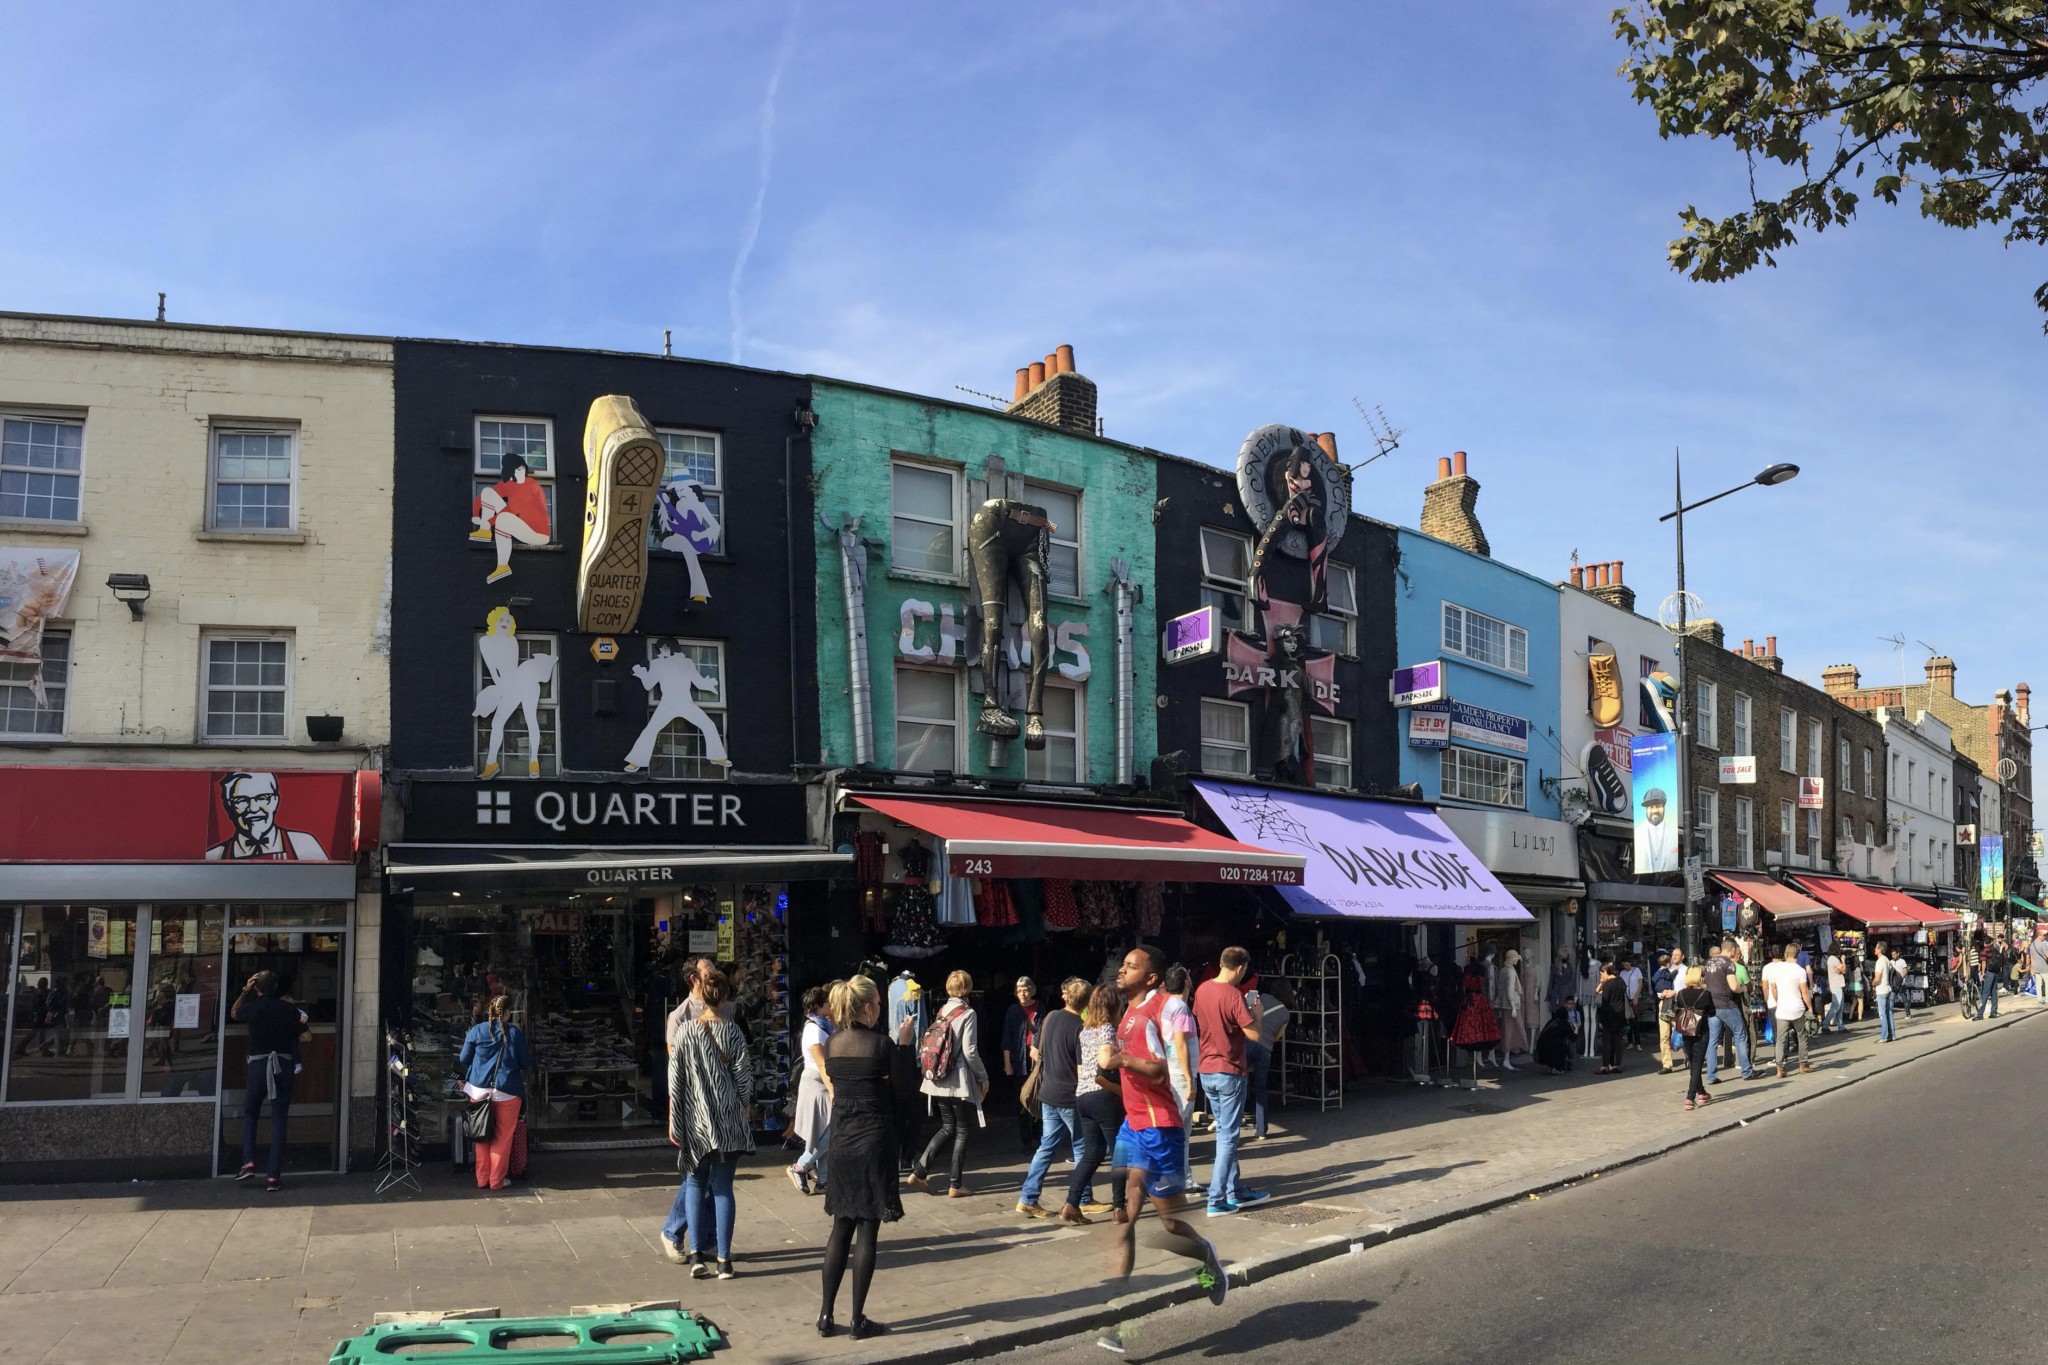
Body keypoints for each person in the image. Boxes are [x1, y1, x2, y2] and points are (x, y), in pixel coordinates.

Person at [1096, 946, 1229, 1353]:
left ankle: (1208, 1260)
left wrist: (1121, 1060)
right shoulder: (1128, 1014)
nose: (1123, 968)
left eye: (1132, 966)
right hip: (1133, 1129)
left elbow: (1157, 1070)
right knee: (1125, 1221)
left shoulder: (1158, 1011)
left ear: (1151, 978)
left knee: (1169, 1227)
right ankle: (1116, 1323)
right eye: (1124, 964)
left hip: (1161, 1129)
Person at [816, 975, 915, 1340]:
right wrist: (904, 1047)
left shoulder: (833, 1044)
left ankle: (826, 1315)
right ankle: (857, 1319)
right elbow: (903, 1091)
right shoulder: (882, 1045)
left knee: (841, 1227)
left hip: (842, 1142)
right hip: (874, 1141)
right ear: (870, 1006)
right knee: (868, 1228)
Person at [663, 966, 752, 1280]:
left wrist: (675, 1118)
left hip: (695, 1120)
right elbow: (743, 1080)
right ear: (725, 996)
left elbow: (676, 1080)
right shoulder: (734, 1032)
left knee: (696, 1183)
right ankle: (724, 1260)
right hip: (727, 1121)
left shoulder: (686, 1031)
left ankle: (697, 1254)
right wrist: (746, 1107)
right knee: (723, 1188)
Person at [1193, 947, 1268, 1217]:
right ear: (1239, 967)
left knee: (1225, 1133)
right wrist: (1256, 1014)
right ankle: (1216, 1199)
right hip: (1230, 1069)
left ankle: (1234, 1190)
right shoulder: (1234, 996)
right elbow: (1254, 1035)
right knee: (1228, 1137)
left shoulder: (1202, 990)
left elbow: (1207, 1021)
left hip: (1207, 1069)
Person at [1019, 977, 1092, 1221]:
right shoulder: (1081, 1027)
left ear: (1065, 997)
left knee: (1046, 1146)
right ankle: (1084, 1199)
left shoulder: (1050, 1018)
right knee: (1082, 1147)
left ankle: (1028, 1198)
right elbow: (1082, 1070)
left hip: (1048, 1092)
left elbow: (1034, 1051)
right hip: (1070, 1096)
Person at [909, 970, 987, 1197]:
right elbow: (970, 1051)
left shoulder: (943, 1010)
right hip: (958, 1079)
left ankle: (920, 1171)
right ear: (968, 987)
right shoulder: (968, 1013)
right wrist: (983, 1077)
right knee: (962, 1129)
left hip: (937, 1078)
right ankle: (955, 1184)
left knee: (947, 1127)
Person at [232, 970, 305, 1193]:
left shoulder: (253, 1008)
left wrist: (245, 991)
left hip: (258, 1066)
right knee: (279, 1119)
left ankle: (249, 1162)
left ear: (257, 987)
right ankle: (273, 1176)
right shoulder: (288, 1009)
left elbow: (234, 1013)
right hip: (282, 1066)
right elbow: (303, 1030)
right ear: (276, 987)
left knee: (251, 1112)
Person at [1066, 984, 1126, 1224]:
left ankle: (1071, 1203)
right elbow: (1106, 1060)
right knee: (1120, 1152)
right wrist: (1125, 1059)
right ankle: (1120, 1207)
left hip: (1083, 1096)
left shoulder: (1085, 1029)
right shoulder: (1107, 1029)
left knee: (1093, 1152)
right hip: (1105, 1096)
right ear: (1113, 1005)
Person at [470, 452, 551, 584]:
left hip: (538, 533)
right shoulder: (509, 485)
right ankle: (484, 532)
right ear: (510, 471)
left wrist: (488, 522)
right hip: (519, 526)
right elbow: (481, 498)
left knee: (503, 519)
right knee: (487, 492)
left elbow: (515, 514)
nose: (521, 472)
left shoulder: (532, 486)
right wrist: (475, 515)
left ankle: (502, 566)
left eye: (522, 468)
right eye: (517, 469)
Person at [788, 984, 835, 1196]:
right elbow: (822, 1063)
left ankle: (824, 1179)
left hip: (822, 1084)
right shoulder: (814, 1028)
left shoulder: (824, 1025)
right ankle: (800, 1166)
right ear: (818, 1006)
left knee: (825, 1130)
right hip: (818, 1084)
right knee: (829, 1130)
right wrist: (833, 1089)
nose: (832, 1005)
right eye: (828, 1002)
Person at [1702, 940, 1753, 1084]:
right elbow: (1734, 986)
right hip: (1727, 1004)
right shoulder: (1728, 964)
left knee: (1712, 1041)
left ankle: (1711, 1076)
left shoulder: (1709, 962)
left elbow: (1705, 983)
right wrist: (1743, 988)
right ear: (1731, 951)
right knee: (1740, 1036)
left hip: (1712, 1005)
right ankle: (1747, 1071)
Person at [1244, 983, 1288, 1142]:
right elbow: (1278, 1036)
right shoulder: (1285, 1013)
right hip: (1265, 1049)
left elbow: (1246, 1011)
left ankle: (1234, 1121)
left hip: (1249, 1042)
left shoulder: (1264, 997)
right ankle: (1261, 1130)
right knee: (1260, 1089)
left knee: (1239, 1082)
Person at [1001, 977, 1041, 1150]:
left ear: (1031, 990)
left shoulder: (1041, 1007)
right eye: (1019, 991)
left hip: (1037, 1058)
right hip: (1019, 1059)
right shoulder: (1013, 1010)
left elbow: (1044, 1031)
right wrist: (1007, 1062)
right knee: (1022, 1100)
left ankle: (1038, 1136)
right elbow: (1007, 1037)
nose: (1022, 994)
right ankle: (1027, 1141)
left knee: (1038, 1098)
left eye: (1025, 990)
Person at [1762, 943, 1813, 1078]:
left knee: (1780, 1038)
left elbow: (1773, 988)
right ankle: (1802, 1064)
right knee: (1802, 1036)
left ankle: (1780, 1068)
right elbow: (1804, 992)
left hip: (1782, 1009)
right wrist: (1810, 1007)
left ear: (1785, 954)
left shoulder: (1778, 970)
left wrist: (1778, 999)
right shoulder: (1800, 971)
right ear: (1797, 955)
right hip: (1797, 1008)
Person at [1672, 966, 1714, 1110]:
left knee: (1692, 1062)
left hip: (1685, 1031)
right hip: (1701, 1031)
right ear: (1700, 977)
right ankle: (1690, 1097)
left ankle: (1701, 1092)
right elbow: (1712, 1012)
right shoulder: (1705, 994)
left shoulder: (1681, 993)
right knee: (1697, 1064)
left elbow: (1677, 1007)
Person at [1651, 950, 1678, 1074]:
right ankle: (1667, 1064)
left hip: (1673, 1002)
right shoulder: (1668, 972)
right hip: (1668, 1001)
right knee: (1664, 1035)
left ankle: (1689, 1058)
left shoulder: (1657, 973)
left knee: (1681, 1031)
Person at [1872, 940, 1904, 1041]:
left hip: (1881, 990)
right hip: (1888, 988)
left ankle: (1884, 1036)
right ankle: (1892, 1035)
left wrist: (1872, 984)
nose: (1875, 949)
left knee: (1883, 1014)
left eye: (1876, 947)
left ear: (1880, 949)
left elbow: (1877, 978)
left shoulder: (1879, 961)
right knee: (1889, 1012)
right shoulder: (1886, 960)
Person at [1533, 1005, 1574, 1074]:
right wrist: (1576, 1030)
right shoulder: (1564, 1023)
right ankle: (1558, 1068)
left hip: (1541, 1049)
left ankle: (1550, 1067)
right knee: (1563, 1045)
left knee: (1553, 1044)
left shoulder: (1551, 1022)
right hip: (1554, 1049)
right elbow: (1573, 1038)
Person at [1617, 957, 1644, 1050]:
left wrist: (1636, 996)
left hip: (1634, 997)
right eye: (1624, 965)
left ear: (1630, 963)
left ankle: (1638, 1043)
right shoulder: (1622, 973)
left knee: (1635, 1021)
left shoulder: (1637, 971)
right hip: (1625, 999)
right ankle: (1630, 1042)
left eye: (1627, 965)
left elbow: (1640, 984)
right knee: (1627, 1020)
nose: (1625, 967)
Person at [1977, 933, 2003, 1019]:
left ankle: (1980, 1014)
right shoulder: (1995, 950)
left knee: (1985, 992)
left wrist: (1983, 972)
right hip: (1995, 972)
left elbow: (1984, 962)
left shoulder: (1985, 950)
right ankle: (1993, 1012)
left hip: (1989, 972)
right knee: (1993, 992)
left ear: (1985, 942)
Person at [1824, 947, 1848, 1032]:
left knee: (1839, 1007)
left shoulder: (1830, 959)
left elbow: (1839, 970)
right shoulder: (1834, 959)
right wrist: (1843, 960)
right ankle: (1825, 1025)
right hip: (1837, 985)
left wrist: (1839, 970)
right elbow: (1844, 970)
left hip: (1835, 985)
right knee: (1836, 1006)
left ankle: (1840, 1026)